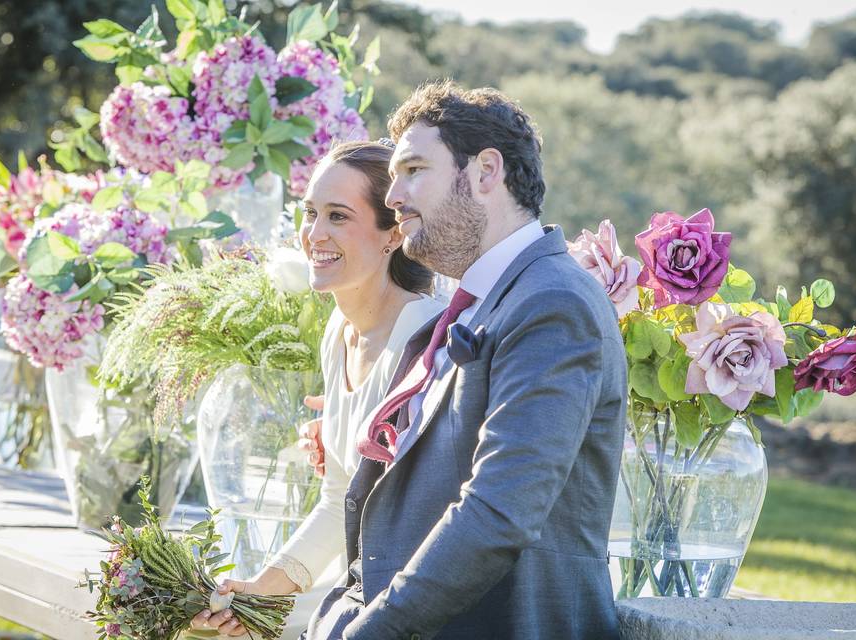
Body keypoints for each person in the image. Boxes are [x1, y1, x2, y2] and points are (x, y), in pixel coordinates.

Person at [303, 81, 628, 640]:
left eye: (413, 170)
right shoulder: (475, 305)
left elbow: (500, 511)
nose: (393, 196)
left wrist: (372, 632)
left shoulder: (553, 302)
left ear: (485, 172)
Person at [190, 141, 445, 637]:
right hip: (362, 593)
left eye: (338, 216)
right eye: (311, 213)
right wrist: (257, 593)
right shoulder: (339, 332)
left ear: (392, 234)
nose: (314, 235)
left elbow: (426, 522)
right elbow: (337, 502)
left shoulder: (424, 337)